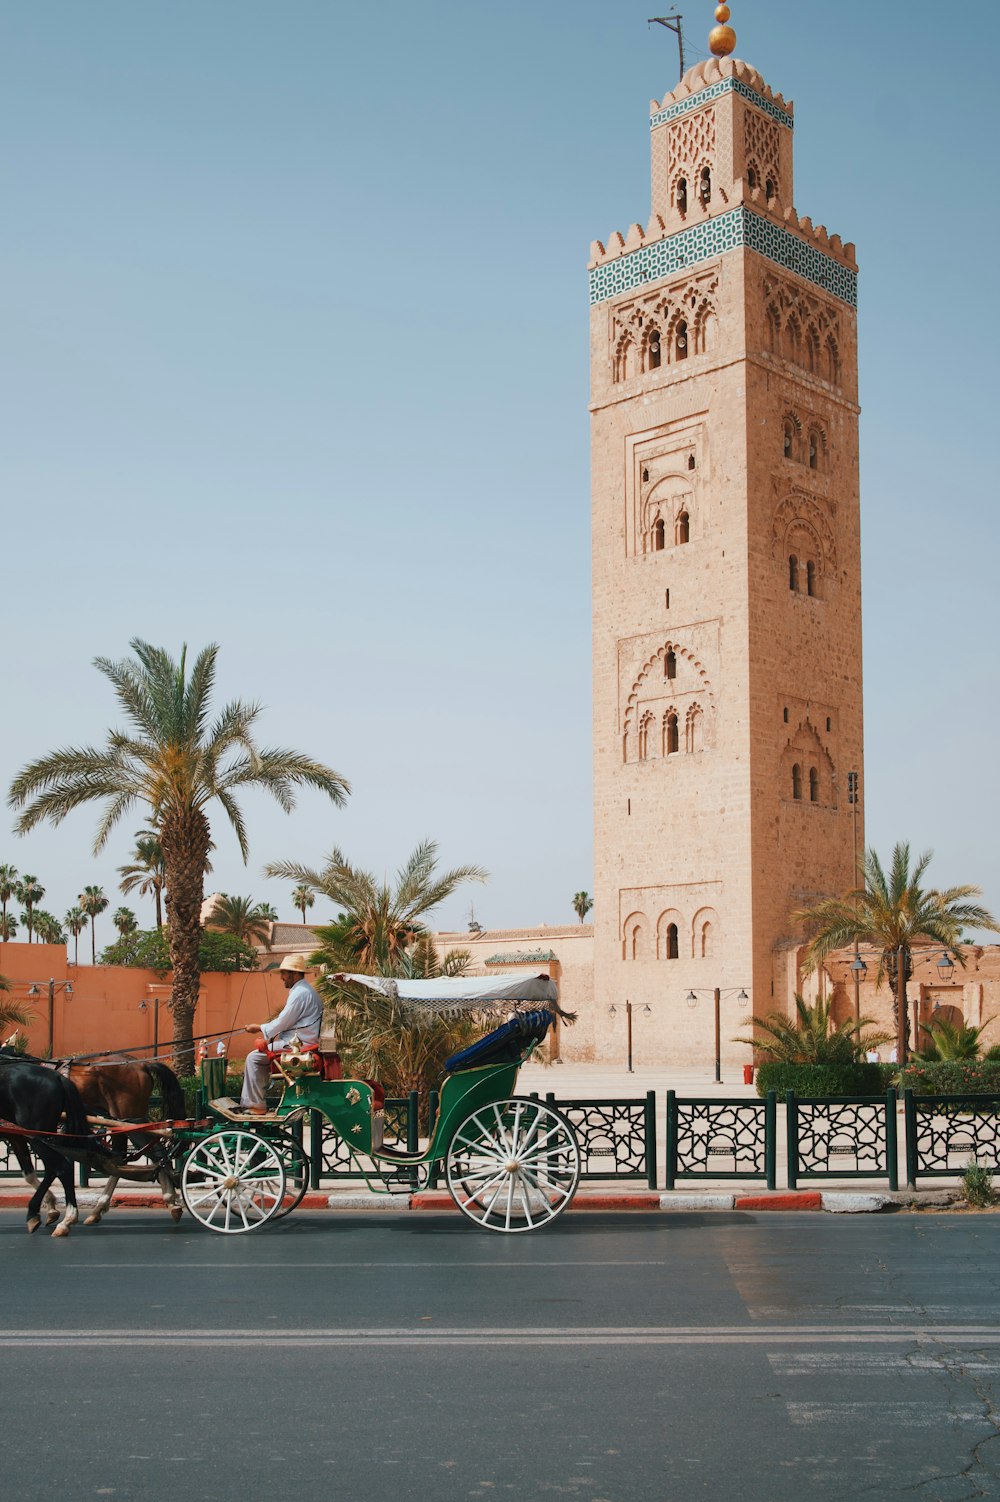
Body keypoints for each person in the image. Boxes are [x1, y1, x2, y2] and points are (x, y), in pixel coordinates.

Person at [239, 954, 324, 1115]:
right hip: (301, 1042)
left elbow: (283, 1021)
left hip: (298, 1046)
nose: (281, 978)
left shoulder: (300, 993)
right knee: (257, 1057)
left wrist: (259, 1028)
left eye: (284, 973)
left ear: (294, 974)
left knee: (253, 1058)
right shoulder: (304, 990)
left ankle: (255, 1105)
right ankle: (257, 1102)